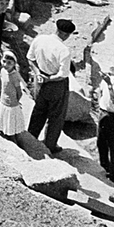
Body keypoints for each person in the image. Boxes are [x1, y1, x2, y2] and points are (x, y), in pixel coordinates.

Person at [27, 18, 77, 154]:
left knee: (39, 110)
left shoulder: (40, 39)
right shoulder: (63, 50)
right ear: (66, 34)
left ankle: (30, 139)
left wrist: (38, 73)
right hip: (56, 83)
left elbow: (30, 58)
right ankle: (50, 145)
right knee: (56, 116)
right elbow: (62, 75)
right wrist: (49, 79)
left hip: (40, 78)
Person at [0, 50, 28, 142]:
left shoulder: (15, 76)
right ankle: (4, 131)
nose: (6, 64)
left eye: (9, 63)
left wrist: (16, 101)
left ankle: (13, 138)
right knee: (3, 119)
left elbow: (19, 91)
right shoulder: (2, 71)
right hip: (3, 100)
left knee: (11, 123)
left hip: (12, 103)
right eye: (4, 61)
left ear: (14, 64)